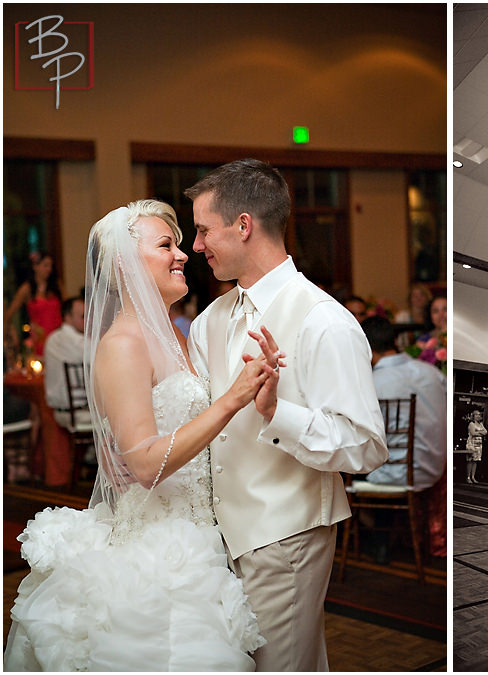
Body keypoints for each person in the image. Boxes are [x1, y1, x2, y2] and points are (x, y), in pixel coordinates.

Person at [5, 200, 274, 670]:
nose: (184, 254)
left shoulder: (178, 335)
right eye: (166, 244)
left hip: (202, 534)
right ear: (125, 266)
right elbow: (146, 464)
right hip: (157, 549)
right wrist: (231, 399)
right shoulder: (123, 343)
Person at [184, 159, 388, 671]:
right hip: (218, 537)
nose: (196, 245)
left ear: (244, 225)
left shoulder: (325, 322)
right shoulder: (210, 320)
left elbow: (365, 447)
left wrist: (279, 413)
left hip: (285, 536)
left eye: (204, 229)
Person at [359, 316, 446, 491]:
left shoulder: (371, 383)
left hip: (391, 474)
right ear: (395, 341)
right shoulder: (433, 373)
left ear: (364, 348)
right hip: (434, 471)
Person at [42, 296, 89, 428]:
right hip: (77, 411)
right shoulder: (75, 340)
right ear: (67, 317)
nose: (88, 320)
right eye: (83, 316)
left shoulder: (52, 338)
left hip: (62, 410)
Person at [5, 252, 63, 356]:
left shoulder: (56, 286)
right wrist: (11, 333)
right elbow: (9, 314)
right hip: (39, 338)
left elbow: (67, 308)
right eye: (45, 265)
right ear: (35, 266)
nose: (49, 269)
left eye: (50, 266)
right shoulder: (27, 289)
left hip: (57, 336)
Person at [466, 409, 487, 483]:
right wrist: (480, 432)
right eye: (476, 414)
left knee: (476, 461)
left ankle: (473, 476)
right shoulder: (471, 423)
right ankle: (468, 477)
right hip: (472, 443)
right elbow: (473, 433)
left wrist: (478, 431)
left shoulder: (480, 424)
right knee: (470, 460)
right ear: (473, 416)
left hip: (479, 444)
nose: (478, 416)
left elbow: (485, 432)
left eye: (479, 414)